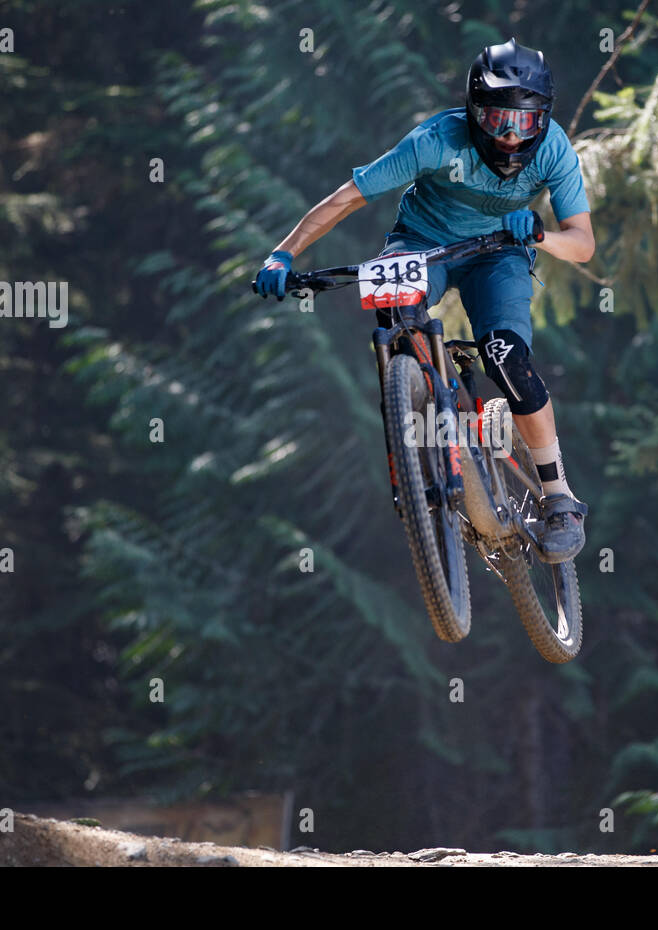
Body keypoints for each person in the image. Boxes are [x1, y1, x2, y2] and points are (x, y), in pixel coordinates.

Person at [254, 38, 594, 564]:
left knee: (507, 356)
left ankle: (558, 496)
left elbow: (583, 243)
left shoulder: (554, 149)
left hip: (499, 255)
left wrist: (540, 236)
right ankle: (423, 418)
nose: (509, 134)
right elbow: (347, 198)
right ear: (475, 112)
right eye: (499, 118)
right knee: (395, 314)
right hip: (423, 243)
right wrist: (282, 253)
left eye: (525, 123)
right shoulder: (435, 140)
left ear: (543, 120)